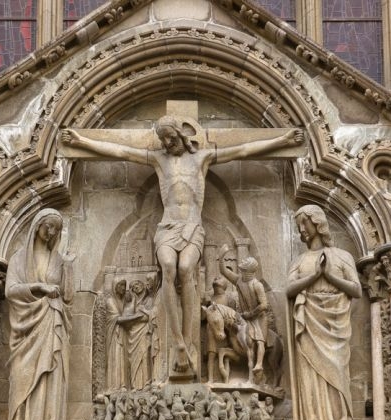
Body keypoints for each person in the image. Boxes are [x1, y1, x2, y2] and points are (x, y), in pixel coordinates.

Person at [62, 118, 303, 374]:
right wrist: (80, 141)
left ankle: (188, 340)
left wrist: (283, 140)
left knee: (187, 268)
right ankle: (178, 342)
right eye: (163, 139)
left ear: (181, 135)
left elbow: (243, 150)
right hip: (167, 229)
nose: (167, 143)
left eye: (171, 138)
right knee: (168, 266)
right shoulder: (158, 160)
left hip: (192, 229)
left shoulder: (202, 158)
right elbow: (121, 151)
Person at [286, 204, 361, 420]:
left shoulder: (341, 257)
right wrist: (313, 276)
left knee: (337, 374)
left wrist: (329, 276)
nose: (301, 229)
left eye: (304, 224)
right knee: (312, 374)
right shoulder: (301, 260)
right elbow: (289, 289)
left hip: (336, 323)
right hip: (309, 322)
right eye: (299, 226)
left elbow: (356, 289)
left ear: (317, 223)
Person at [6, 209, 74, 420]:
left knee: (51, 373)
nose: (52, 232)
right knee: (24, 375)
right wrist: (39, 287)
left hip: (52, 320)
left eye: (56, 228)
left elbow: (68, 296)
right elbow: (10, 291)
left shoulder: (57, 260)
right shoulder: (19, 259)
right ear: (37, 225)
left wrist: (69, 268)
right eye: (48, 226)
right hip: (27, 328)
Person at [218, 246, 270, 377]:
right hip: (245, 317)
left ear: (249, 271)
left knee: (260, 340)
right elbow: (224, 271)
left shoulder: (257, 285)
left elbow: (264, 305)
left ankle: (258, 364)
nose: (241, 272)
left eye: (243, 270)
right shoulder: (239, 281)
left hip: (259, 317)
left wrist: (251, 313)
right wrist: (222, 256)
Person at [105, 279, 128, 390]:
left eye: (124, 285)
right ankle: (114, 385)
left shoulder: (123, 301)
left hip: (123, 334)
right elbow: (117, 319)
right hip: (114, 335)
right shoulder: (110, 301)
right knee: (116, 356)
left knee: (122, 359)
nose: (123, 288)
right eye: (121, 285)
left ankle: (123, 384)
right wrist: (137, 317)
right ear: (115, 286)